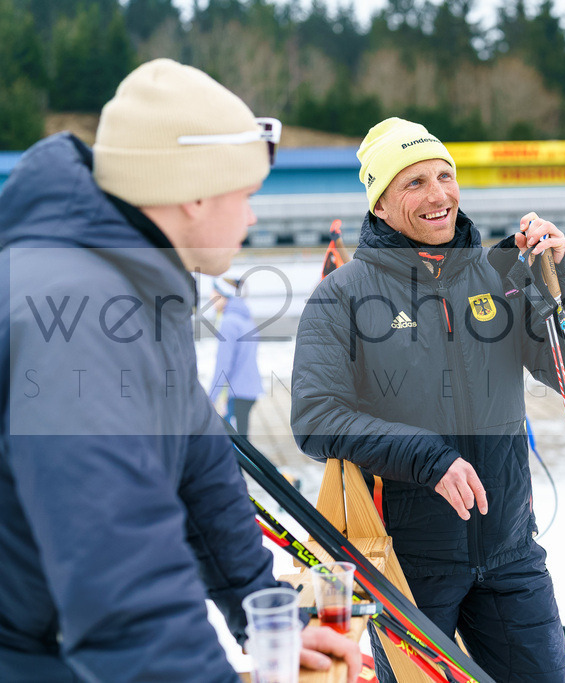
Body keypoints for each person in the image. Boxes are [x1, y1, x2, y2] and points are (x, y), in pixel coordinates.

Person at [0, 59, 359, 682]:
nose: (252, 218)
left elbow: (200, 468)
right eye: (245, 195)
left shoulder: (133, 287)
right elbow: (121, 578)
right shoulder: (78, 312)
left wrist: (263, 615)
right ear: (192, 193)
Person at [290, 117, 565, 683]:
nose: (439, 196)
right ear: (380, 205)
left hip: (511, 552)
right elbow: (316, 418)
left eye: (445, 176)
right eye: (414, 183)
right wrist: (429, 458)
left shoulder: (500, 273)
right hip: (408, 565)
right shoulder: (341, 295)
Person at [208, 275, 263, 437]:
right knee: (240, 441)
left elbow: (223, 363)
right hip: (247, 389)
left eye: (214, 294)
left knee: (238, 446)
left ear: (224, 295)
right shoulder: (244, 317)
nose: (211, 298)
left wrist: (211, 397)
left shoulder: (229, 322)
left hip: (238, 392)